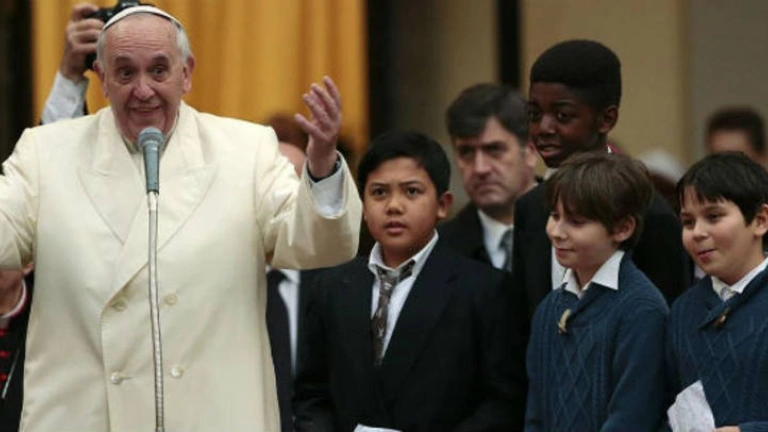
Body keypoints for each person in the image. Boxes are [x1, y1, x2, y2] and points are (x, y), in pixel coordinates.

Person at [0, 6, 361, 432]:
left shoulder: (245, 151)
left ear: (186, 73)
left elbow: (314, 244)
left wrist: (321, 168)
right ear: (102, 77)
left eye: (158, 70)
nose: (143, 90)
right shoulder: (46, 154)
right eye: (125, 73)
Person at [293, 130, 527, 432]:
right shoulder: (332, 286)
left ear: (442, 204)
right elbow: (311, 395)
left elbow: (503, 403)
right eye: (379, 193)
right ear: (362, 205)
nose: (394, 206)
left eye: (412, 192)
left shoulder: (484, 290)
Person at [514, 39, 689, 321]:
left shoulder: (649, 212)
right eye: (534, 114)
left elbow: (665, 320)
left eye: (562, 116)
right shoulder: (530, 207)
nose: (543, 128)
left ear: (606, 120)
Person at [525, 151, 669, 432]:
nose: (557, 231)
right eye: (555, 216)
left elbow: (632, 418)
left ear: (623, 228)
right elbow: (535, 415)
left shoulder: (641, 309)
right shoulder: (549, 308)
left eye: (576, 222)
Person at [668, 152, 768, 431]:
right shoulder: (683, 310)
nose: (698, 232)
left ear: (760, 220)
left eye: (714, 216)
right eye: (688, 222)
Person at [439, 83, 537, 272]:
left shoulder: (576, 229)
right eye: (466, 152)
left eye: (494, 150)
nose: (480, 168)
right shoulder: (439, 251)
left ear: (531, 151)